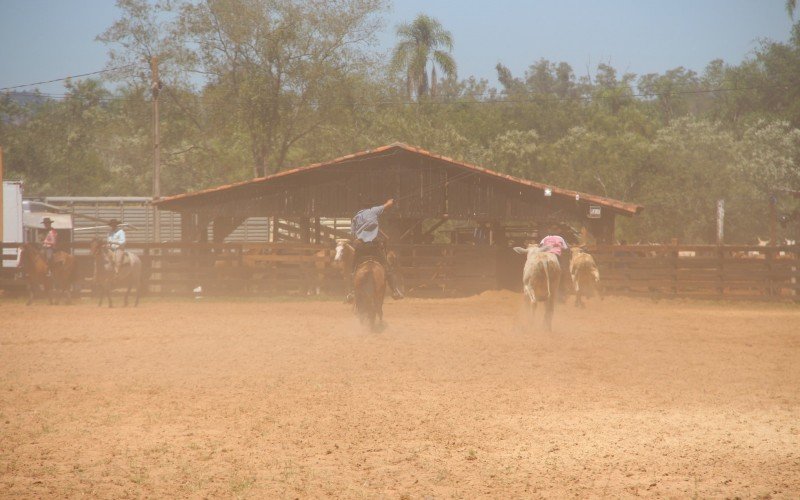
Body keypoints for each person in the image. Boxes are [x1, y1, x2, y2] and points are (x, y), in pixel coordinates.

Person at [349, 198, 404, 301]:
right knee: (387, 267)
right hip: (374, 246)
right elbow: (387, 205)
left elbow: (353, 234)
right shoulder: (373, 211)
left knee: (354, 269)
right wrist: (391, 201)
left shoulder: (355, 217)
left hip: (361, 247)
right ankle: (395, 290)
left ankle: (351, 291)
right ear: (370, 207)